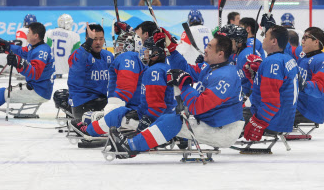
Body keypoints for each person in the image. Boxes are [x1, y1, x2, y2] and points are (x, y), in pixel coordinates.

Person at [107, 30, 244, 159]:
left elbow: (198, 106)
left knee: (172, 121)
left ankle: (130, 147)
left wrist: (183, 85)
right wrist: (171, 50)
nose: (205, 49)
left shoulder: (226, 77)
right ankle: (131, 144)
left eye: (209, 46)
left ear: (220, 54)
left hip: (224, 130)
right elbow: (186, 70)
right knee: (166, 117)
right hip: (214, 123)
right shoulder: (212, 67)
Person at [71, 37, 176, 141]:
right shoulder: (162, 67)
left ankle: (88, 131)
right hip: (161, 115)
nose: (145, 54)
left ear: (156, 53)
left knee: (114, 115)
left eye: (148, 51)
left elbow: (156, 104)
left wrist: (146, 120)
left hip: (157, 118)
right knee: (117, 113)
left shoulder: (154, 70)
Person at [243, 25, 299, 141]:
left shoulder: (273, 62)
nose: (263, 39)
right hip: (284, 118)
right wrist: (258, 72)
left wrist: (258, 122)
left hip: (272, 120)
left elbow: (271, 102)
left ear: (274, 41)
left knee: (222, 114)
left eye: (266, 36)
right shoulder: (287, 58)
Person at [0, 22, 55, 107]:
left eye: (29, 32)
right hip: (39, 88)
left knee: (1, 94)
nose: (26, 34)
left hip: (38, 91)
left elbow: (36, 74)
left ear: (36, 36)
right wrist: (7, 47)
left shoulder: (41, 51)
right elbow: (21, 51)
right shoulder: (36, 47)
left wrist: (19, 63)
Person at [67, 23, 114, 120]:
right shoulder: (79, 55)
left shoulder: (108, 56)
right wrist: (88, 43)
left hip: (102, 101)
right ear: (87, 39)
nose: (98, 42)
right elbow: (77, 64)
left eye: (101, 39)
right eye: (94, 39)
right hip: (83, 103)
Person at [294, 27, 324, 125]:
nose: (302, 40)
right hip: (298, 105)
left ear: (316, 42)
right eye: (302, 37)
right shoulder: (304, 55)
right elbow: (286, 46)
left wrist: (300, 83)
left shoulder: (323, 60)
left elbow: (318, 88)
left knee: (264, 112)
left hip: (309, 111)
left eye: (306, 37)